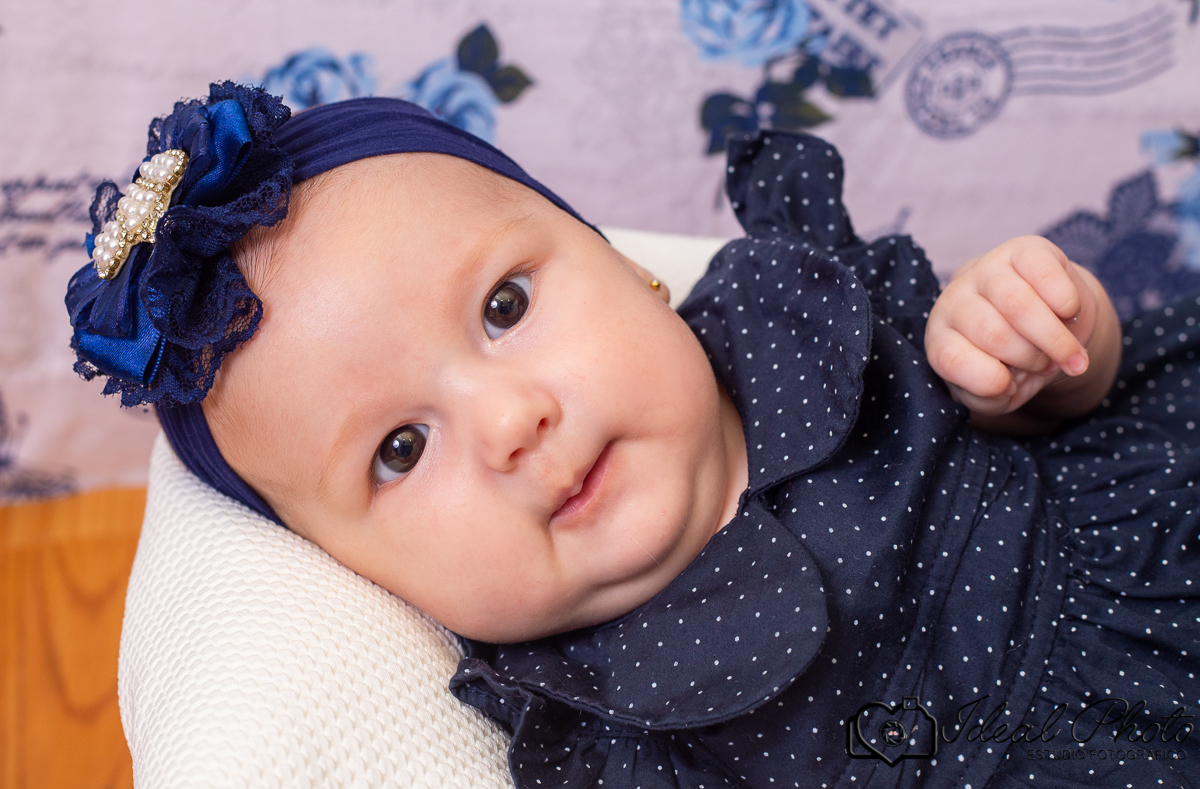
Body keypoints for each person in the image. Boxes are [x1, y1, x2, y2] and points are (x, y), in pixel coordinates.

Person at [67, 84, 1197, 788]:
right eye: (400, 450)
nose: (513, 424)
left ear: (627, 265)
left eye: (506, 308)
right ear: (363, 576)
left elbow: (1077, 413)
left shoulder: (809, 317)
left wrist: (1041, 349)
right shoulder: (589, 727)